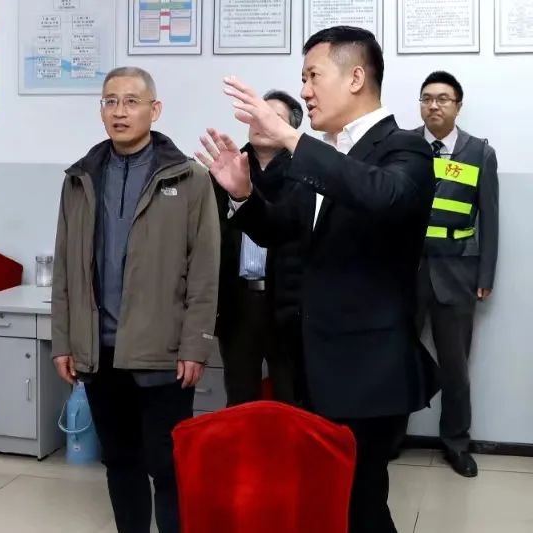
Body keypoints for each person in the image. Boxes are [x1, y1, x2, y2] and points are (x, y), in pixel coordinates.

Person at [197, 26, 438, 533]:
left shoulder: (405, 149)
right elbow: (283, 230)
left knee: (360, 505)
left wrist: (290, 136)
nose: (304, 90)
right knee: (325, 502)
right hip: (313, 364)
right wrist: (243, 196)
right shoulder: (324, 153)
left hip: (367, 372)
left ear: (355, 78)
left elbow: (382, 196)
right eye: (302, 78)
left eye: (312, 76)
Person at [51, 66, 220, 533]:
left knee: (167, 467)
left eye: (131, 101)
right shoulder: (80, 179)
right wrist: (64, 341)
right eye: (110, 101)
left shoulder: (190, 179)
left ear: (154, 109)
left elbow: (205, 271)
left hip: (163, 353)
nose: (119, 111)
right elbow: (65, 267)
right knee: (120, 462)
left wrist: (195, 346)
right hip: (99, 352)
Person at [414, 71, 499, 478]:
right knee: (394, 357)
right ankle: (389, 436)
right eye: (427, 98)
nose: (434, 105)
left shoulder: (479, 152)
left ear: (458, 106)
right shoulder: (405, 146)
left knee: (456, 367)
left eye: (443, 98)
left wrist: (486, 274)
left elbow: (490, 218)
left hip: (458, 272)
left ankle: (456, 443)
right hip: (407, 271)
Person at [214, 89, 311, 406]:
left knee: (290, 396)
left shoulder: (306, 174)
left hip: (286, 301)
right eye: (256, 116)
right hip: (238, 301)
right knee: (240, 396)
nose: (261, 122)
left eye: (272, 117)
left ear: (290, 129)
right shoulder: (227, 169)